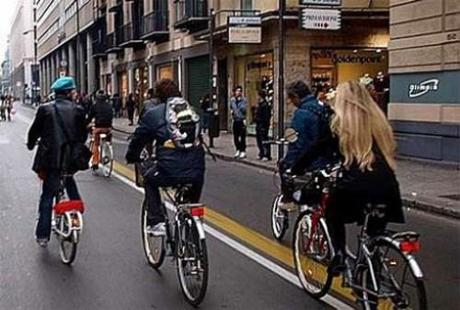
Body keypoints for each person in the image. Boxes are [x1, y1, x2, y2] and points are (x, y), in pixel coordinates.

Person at [291, 80, 404, 275]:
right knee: (373, 238)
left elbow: (317, 148)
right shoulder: (380, 121)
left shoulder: (339, 124)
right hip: (388, 186)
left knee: (332, 212)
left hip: (356, 185)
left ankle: (340, 254)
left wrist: (296, 167)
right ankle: (371, 276)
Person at [125, 79, 205, 236]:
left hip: (169, 170)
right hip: (197, 170)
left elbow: (139, 139)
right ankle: (193, 223)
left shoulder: (154, 114)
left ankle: (156, 222)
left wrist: (132, 156)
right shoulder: (191, 111)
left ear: (159, 97)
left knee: (148, 179)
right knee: (191, 201)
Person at [26, 77, 87, 247]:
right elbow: (83, 135)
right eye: (73, 91)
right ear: (69, 92)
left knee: (47, 195)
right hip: (71, 159)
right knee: (68, 179)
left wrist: (31, 144)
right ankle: (76, 213)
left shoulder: (45, 109)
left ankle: (42, 235)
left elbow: (34, 132)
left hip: (51, 160)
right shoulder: (78, 110)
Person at [87, 90, 113, 170]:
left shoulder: (95, 106)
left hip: (98, 127)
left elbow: (90, 117)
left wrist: (87, 123)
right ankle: (108, 152)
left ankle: (95, 162)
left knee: (96, 144)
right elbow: (111, 116)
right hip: (108, 128)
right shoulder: (109, 105)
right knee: (108, 140)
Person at [230, 86, 247, 159]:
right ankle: (238, 149)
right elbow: (231, 108)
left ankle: (243, 151)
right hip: (235, 120)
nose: (238, 92)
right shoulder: (232, 100)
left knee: (242, 136)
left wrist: (239, 103)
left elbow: (244, 110)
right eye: (237, 91)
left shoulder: (244, 100)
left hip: (241, 120)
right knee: (235, 137)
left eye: (240, 91)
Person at [255, 89, 272, 161]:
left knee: (264, 140)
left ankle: (266, 154)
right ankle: (261, 153)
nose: (257, 97)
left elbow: (266, 117)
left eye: (257, 95)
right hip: (259, 125)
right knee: (259, 140)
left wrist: (263, 125)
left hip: (263, 125)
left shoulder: (265, 105)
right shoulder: (260, 104)